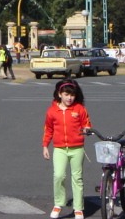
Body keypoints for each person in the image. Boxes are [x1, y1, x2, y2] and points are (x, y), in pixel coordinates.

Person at [43, 80, 92, 219]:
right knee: (58, 176)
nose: (69, 98)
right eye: (66, 94)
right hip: (59, 148)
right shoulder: (52, 111)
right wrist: (45, 145)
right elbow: (48, 129)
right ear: (60, 94)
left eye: (72, 95)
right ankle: (58, 204)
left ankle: (78, 208)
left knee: (77, 178)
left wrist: (86, 129)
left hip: (77, 148)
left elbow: (86, 123)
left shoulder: (80, 109)